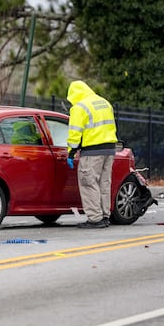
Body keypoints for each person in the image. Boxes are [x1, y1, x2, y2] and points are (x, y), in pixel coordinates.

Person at [66, 81, 118, 229]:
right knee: (104, 183)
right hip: (109, 149)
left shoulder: (79, 107)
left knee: (88, 183)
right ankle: (104, 215)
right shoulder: (104, 103)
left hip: (92, 151)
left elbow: (75, 132)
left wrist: (71, 151)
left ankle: (95, 218)